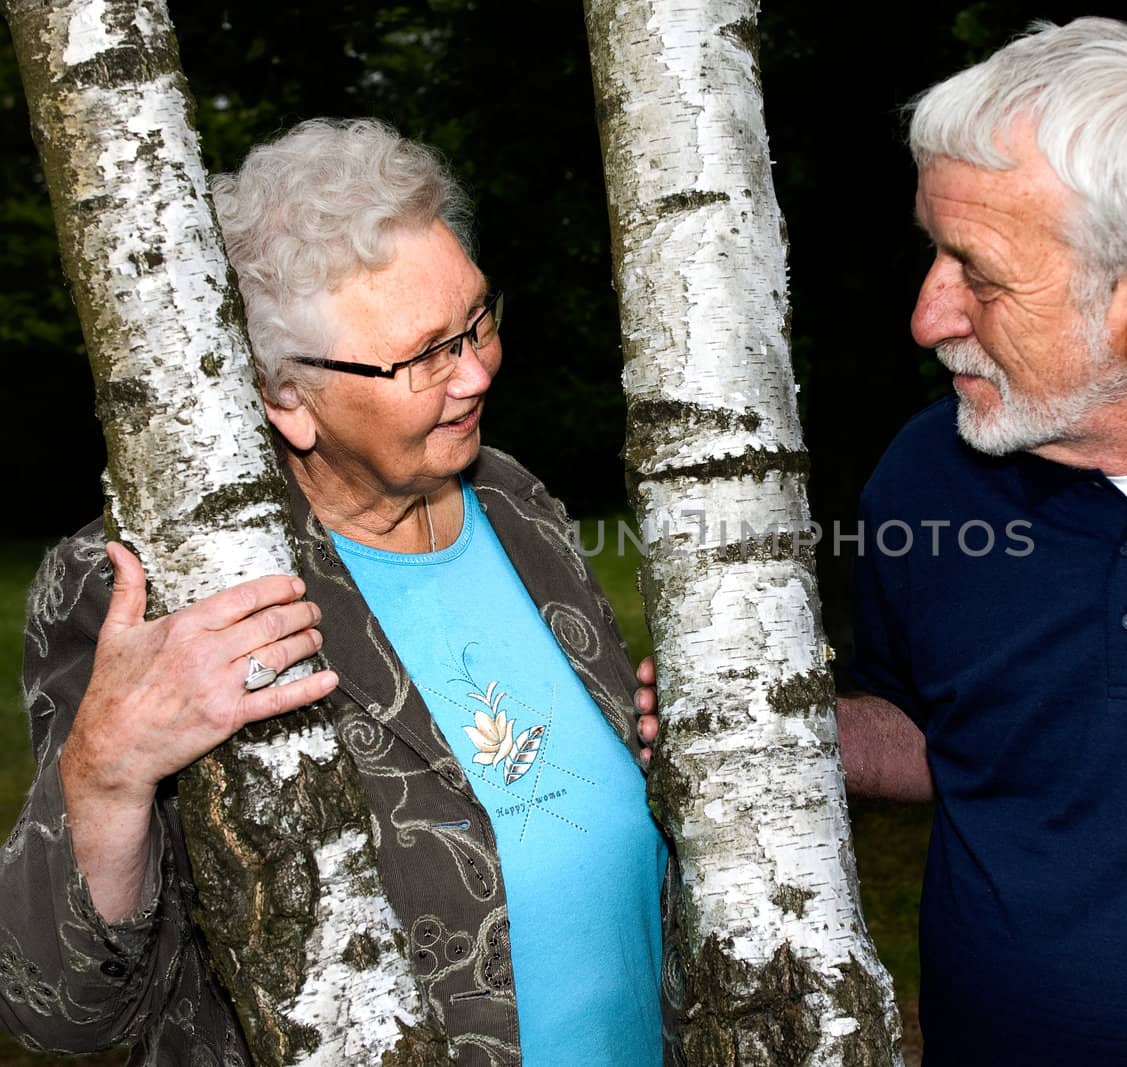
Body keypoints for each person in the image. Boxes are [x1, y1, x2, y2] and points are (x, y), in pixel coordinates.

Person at [643, 16, 1127, 1066]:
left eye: (980, 273)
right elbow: (938, 729)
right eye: (933, 250)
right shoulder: (925, 477)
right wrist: (777, 728)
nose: (929, 315)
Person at [1, 119, 671, 1067]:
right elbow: (61, 1011)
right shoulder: (149, 591)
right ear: (284, 396)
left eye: (477, 320)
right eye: (421, 356)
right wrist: (108, 768)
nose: (478, 371)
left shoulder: (515, 501)